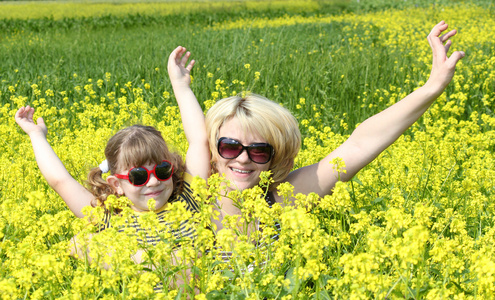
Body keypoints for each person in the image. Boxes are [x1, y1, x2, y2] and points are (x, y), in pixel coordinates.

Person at [199, 21, 465, 228]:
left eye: (259, 151)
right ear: (212, 148)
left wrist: (432, 87)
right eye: (231, 147)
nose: (243, 160)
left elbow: (360, 145)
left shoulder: (281, 201)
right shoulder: (186, 197)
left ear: (274, 158)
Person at [13, 46, 210, 273]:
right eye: (139, 176)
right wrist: (36, 136)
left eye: (162, 170)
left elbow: (199, 140)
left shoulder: (187, 201)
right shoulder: (110, 217)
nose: (154, 182)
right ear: (117, 185)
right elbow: (61, 181)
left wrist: (181, 86)